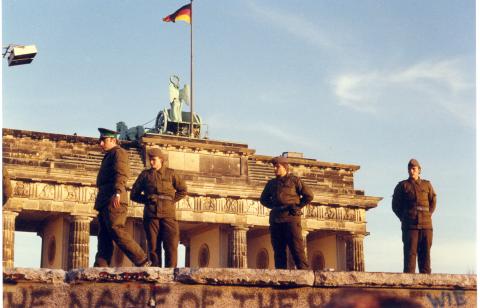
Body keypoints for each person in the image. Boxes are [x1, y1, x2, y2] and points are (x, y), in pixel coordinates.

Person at [93, 128, 150, 267]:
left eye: (103, 140)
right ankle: (101, 267)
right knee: (104, 236)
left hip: (114, 199)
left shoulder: (119, 153)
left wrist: (118, 192)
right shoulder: (109, 155)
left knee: (116, 229)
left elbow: (121, 173)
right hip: (105, 200)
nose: (100, 143)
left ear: (113, 140)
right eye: (100, 140)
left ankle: (142, 260)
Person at [130, 148, 187, 267]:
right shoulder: (145, 175)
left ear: (161, 160)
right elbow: (133, 195)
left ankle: (171, 272)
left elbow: (182, 190)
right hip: (151, 215)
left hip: (168, 215)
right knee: (153, 247)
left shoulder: (171, 174)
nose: (151, 162)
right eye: (150, 160)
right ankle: (156, 272)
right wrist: (148, 200)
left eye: (153, 160)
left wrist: (170, 201)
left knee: (171, 245)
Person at [260, 156, 314, 269]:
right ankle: (281, 276)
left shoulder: (295, 181)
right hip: (276, 220)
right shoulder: (271, 184)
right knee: (278, 251)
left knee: (297, 248)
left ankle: (304, 274)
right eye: (274, 166)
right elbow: (263, 200)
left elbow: (309, 195)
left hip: (291, 219)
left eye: (277, 166)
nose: (275, 169)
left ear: (285, 167)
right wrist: (275, 207)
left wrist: (297, 206)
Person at [392, 158, 436, 274]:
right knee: (410, 257)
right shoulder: (403, 186)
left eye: (413, 169)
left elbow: (433, 201)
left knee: (425, 256)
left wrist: (428, 214)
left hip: (426, 226)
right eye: (409, 169)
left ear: (419, 170)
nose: (411, 171)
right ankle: (409, 289)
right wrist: (405, 217)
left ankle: (426, 287)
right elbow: (395, 205)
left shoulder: (427, 185)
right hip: (410, 227)